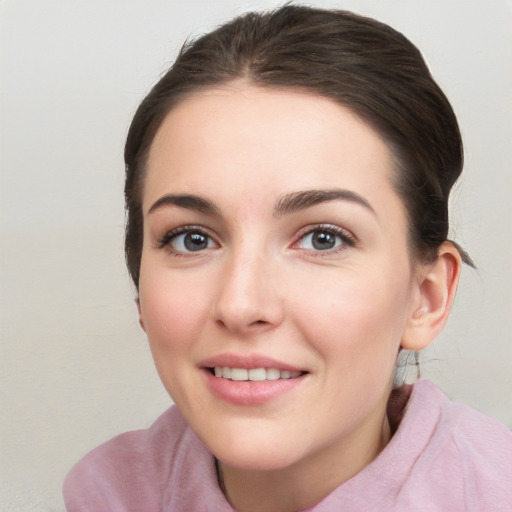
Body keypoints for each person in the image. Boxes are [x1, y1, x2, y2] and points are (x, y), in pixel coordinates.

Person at [63, 4, 512, 511]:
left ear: (426, 298)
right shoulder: (105, 495)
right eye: (192, 239)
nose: (240, 303)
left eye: (323, 238)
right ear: (141, 288)